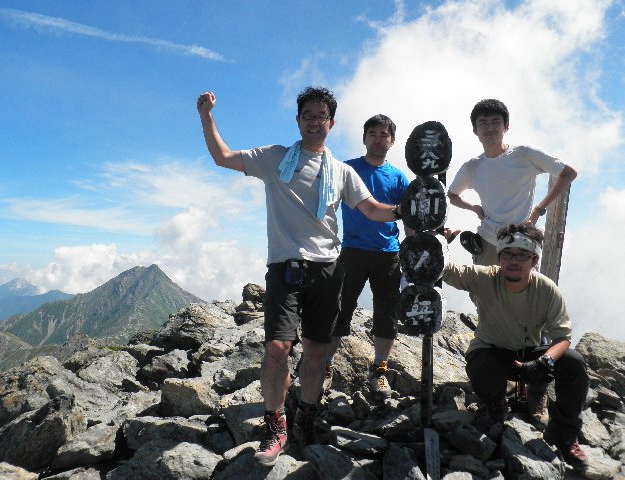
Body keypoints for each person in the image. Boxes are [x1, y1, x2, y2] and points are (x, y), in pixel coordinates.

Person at [196, 87, 403, 466]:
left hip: (327, 269)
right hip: (285, 267)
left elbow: (373, 210)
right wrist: (206, 117)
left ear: (331, 123)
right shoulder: (275, 158)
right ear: (298, 120)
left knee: (317, 352)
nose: (314, 121)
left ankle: (306, 414)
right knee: (277, 349)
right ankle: (276, 424)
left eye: (321, 116)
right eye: (308, 114)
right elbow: (222, 157)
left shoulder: (341, 171)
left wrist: (409, 211)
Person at [442, 223, 589, 473]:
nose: (514, 260)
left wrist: (546, 362)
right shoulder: (485, 277)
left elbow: (562, 337)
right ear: (499, 257)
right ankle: (497, 404)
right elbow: (445, 270)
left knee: (574, 363)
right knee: (481, 366)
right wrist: (436, 239)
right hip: (492, 350)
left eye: (522, 255)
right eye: (507, 254)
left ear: (534, 259)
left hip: (531, 355)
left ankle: (563, 434)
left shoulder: (546, 290)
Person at [323, 114, 412, 397]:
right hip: (352, 250)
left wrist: (411, 252)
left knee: (386, 314)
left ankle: (379, 369)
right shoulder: (348, 169)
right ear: (364, 138)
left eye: (383, 134)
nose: (377, 138)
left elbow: (408, 217)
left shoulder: (398, 177)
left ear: (392, 141)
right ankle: (325, 363)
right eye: (372, 133)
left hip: (389, 253)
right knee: (340, 308)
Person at [448, 98, 577, 266]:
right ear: (475, 130)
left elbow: (568, 174)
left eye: (496, 122)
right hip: (488, 242)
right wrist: (474, 208)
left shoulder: (525, 154)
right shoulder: (472, 167)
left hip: (522, 242)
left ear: (506, 126)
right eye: (483, 123)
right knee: (483, 292)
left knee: (524, 292)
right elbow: (451, 195)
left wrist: (539, 209)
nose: (490, 128)